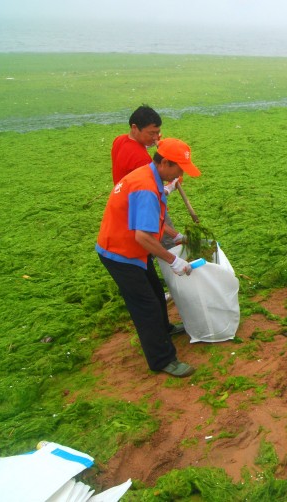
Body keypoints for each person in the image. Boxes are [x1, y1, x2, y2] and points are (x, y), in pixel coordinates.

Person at [96, 138, 201, 377]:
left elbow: (153, 220)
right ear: (165, 163)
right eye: (179, 169)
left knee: (155, 292)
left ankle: (165, 328)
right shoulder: (145, 188)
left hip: (133, 250)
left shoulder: (150, 176)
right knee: (147, 306)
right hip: (120, 254)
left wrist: (177, 237)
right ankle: (162, 360)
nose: (180, 175)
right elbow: (142, 236)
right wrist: (174, 261)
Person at [112, 105, 180, 249]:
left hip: (125, 202)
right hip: (145, 207)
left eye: (158, 132)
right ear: (135, 128)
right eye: (151, 133)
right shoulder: (141, 161)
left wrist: (151, 142)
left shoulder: (120, 140)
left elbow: (133, 148)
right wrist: (169, 187)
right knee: (167, 246)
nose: (155, 137)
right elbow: (151, 190)